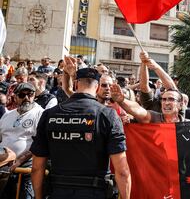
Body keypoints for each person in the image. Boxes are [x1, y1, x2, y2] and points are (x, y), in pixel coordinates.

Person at [30, 68, 131, 199]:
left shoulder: (50, 114)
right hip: (94, 192)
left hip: (58, 192)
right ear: (98, 86)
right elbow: (122, 171)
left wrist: (38, 197)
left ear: (76, 84)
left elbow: (37, 167)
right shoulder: (107, 115)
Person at [0, 83, 44, 199]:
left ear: (34, 95)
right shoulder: (7, 115)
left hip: (26, 167)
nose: (26, 98)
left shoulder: (40, 113)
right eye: (22, 95)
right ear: (15, 97)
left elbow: (40, 142)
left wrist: (19, 160)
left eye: (30, 94)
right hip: (4, 166)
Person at [112, 85, 189, 123]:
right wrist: (122, 101)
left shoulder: (189, 126)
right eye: (164, 99)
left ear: (181, 105)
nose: (166, 103)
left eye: (171, 99)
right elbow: (138, 109)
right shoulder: (154, 118)